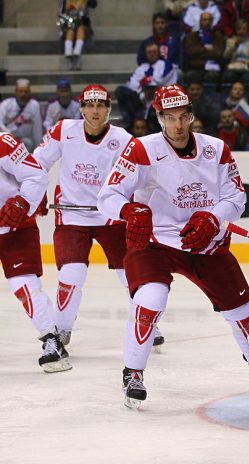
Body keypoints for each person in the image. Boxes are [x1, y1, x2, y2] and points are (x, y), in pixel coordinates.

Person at [97, 84, 249, 409]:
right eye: (170, 118)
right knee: (150, 300)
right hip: (155, 242)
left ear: (192, 115)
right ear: (159, 118)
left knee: (243, 310)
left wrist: (213, 218)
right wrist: (129, 210)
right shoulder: (142, 150)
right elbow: (107, 197)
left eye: (183, 117)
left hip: (206, 242)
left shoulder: (217, 149)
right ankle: (133, 371)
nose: (178, 125)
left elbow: (236, 197)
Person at [34, 85, 161, 352]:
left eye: (100, 106)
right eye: (90, 106)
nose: (95, 111)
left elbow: (139, 177)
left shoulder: (123, 139)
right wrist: (36, 194)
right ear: (81, 108)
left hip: (110, 215)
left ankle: (147, 322)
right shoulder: (63, 130)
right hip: (71, 215)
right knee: (72, 273)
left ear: (108, 109)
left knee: (131, 273)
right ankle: (61, 331)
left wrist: (135, 207)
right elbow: (37, 163)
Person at [0, 132, 69, 373]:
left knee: (23, 285)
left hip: (15, 226)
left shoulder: (3, 143)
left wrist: (23, 201)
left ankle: (52, 339)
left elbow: (36, 174)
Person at [115, 43, 178, 129]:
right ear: (145, 54)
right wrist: (141, 93)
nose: (152, 54)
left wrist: (147, 82)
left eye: (154, 52)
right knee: (121, 91)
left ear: (159, 53)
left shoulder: (166, 65)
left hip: (160, 100)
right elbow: (132, 84)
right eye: (149, 52)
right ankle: (130, 121)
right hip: (142, 100)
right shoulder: (142, 67)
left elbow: (159, 81)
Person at [0, 79, 43, 153]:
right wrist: (8, 134)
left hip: (23, 139)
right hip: (7, 138)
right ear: (16, 92)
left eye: (26, 91)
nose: (23, 94)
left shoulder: (34, 105)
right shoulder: (6, 104)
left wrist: (38, 150)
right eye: (20, 91)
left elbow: (37, 128)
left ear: (30, 92)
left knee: (29, 143)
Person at [58, 0, 97, 70]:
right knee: (71, 29)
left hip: (83, 20)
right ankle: (68, 54)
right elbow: (61, 13)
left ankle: (77, 53)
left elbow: (94, 4)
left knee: (81, 28)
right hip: (69, 20)